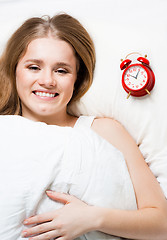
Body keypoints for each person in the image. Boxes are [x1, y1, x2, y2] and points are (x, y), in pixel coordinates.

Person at [0, 13, 167, 240]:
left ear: (77, 78)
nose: (47, 80)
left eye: (61, 70)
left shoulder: (105, 131)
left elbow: (162, 223)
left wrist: (91, 218)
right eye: (33, 67)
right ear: (14, 70)